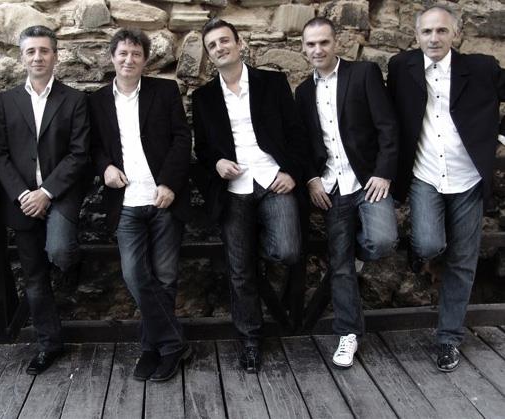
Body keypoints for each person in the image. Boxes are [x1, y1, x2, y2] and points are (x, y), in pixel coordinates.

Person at [388, 4, 505, 372]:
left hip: (468, 177)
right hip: (425, 174)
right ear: (416, 35)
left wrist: (501, 135)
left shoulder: (482, 68)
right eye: (427, 32)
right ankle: (423, 250)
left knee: (463, 262)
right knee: (428, 244)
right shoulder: (401, 67)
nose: (434, 38)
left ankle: (448, 339)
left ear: (456, 33)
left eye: (441, 31)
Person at [193, 18, 307, 373]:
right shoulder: (203, 97)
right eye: (212, 45)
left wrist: (291, 173)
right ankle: (250, 340)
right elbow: (203, 150)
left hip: (273, 180)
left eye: (224, 40)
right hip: (233, 189)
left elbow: (297, 132)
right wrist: (217, 163)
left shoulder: (272, 83)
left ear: (239, 43)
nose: (219, 48)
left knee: (287, 251)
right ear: (209, 55)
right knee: (239, 271)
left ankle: (251, 243)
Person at [295, 17, 399, 368]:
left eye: (323, 42)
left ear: (335, 42)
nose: (317, 49)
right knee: (339, 264)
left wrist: (383, 172)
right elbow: (304, 144)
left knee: (382, 241)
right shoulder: (303, 92)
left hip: (368, 181)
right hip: (332, 188)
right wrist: (312, 179)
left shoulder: (364, 73)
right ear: (303, 48)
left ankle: (352, 252)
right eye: (311, 44)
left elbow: (388, 126)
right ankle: (348, 333)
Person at [89, 29, 192, 381]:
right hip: (126, 202)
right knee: (134, 274)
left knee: (165, 277)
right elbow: (93, 146)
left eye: (136, 54)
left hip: (163, 199)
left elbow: (182, 138)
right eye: (122, 53)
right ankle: (173, 343)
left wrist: (170, 183)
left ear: (145, 60)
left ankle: (152, 348)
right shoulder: (97, 100)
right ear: (112, 57)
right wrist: (105, 167)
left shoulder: (164, 91)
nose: (128, 59)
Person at [0, 25, 90, 375]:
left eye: (44, 50)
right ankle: (50, 344)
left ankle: (71, 264)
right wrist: (23, 194)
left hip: (59, 193)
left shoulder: (74, 99)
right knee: (33, 276)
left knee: (60, 251)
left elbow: (79, 153)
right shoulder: (6, 101)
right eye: (31, 51)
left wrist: (46, 192)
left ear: (55, 56)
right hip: (21, 200)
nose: (37, 57)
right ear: (22, 57)